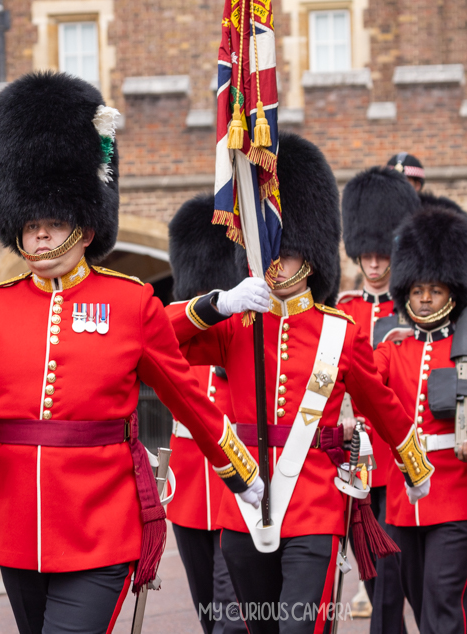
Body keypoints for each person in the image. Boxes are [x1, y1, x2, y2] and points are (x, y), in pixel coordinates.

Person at [0, 72, 262, 634]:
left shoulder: (131, 301)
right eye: (31, 226)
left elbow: (185, 395)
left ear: (85, 228)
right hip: (17, 522)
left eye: (55, 224)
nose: (41, 238)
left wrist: (237, 466)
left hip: (101, 522)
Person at [166, 133, 433, 634]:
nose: (271, 263)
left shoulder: (339, 330)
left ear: (306, 257)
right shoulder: (236, 325)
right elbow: (159, 336)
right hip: (243, 503)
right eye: (265, 251)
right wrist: (217, 303)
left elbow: (382, 404)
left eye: (282, 254)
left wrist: (413, 463)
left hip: (314, 504)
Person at [373, 203, 467, 634]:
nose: (423, 299)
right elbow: (362, 385)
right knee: (422, 604)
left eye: (433, 291)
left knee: (442, 599)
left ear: (451, 292)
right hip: (403, 500)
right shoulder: (393, 351)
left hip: (458, 495)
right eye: (416, 291)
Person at [337, 165, 419, 631]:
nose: (373, 264)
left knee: (390, 580)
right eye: (365, 254)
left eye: (381, 254)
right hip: (351, 463)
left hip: (393, 460)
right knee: (372, 579)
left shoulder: (412, 311)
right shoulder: (344, 310)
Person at [165, 193, 243, 634]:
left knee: (233, 615)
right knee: (207, 611)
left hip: (238, 481)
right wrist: (210, 306)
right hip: (191, 486)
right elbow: (155, 324)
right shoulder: (180, 325)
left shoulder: (246, 327)